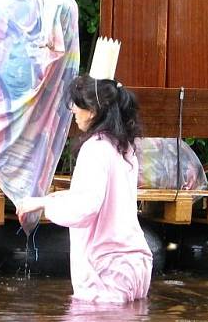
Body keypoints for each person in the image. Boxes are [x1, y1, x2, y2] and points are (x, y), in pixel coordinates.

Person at [16, 74, 153, 303]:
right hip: (136, 264)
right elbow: (91, 197)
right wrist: (42, 201)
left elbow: (84, 208)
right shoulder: (124, 148)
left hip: (106, 270)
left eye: (76, 105)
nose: (73, 112)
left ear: (91, 110)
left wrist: (47, 208)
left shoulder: (95, 149)